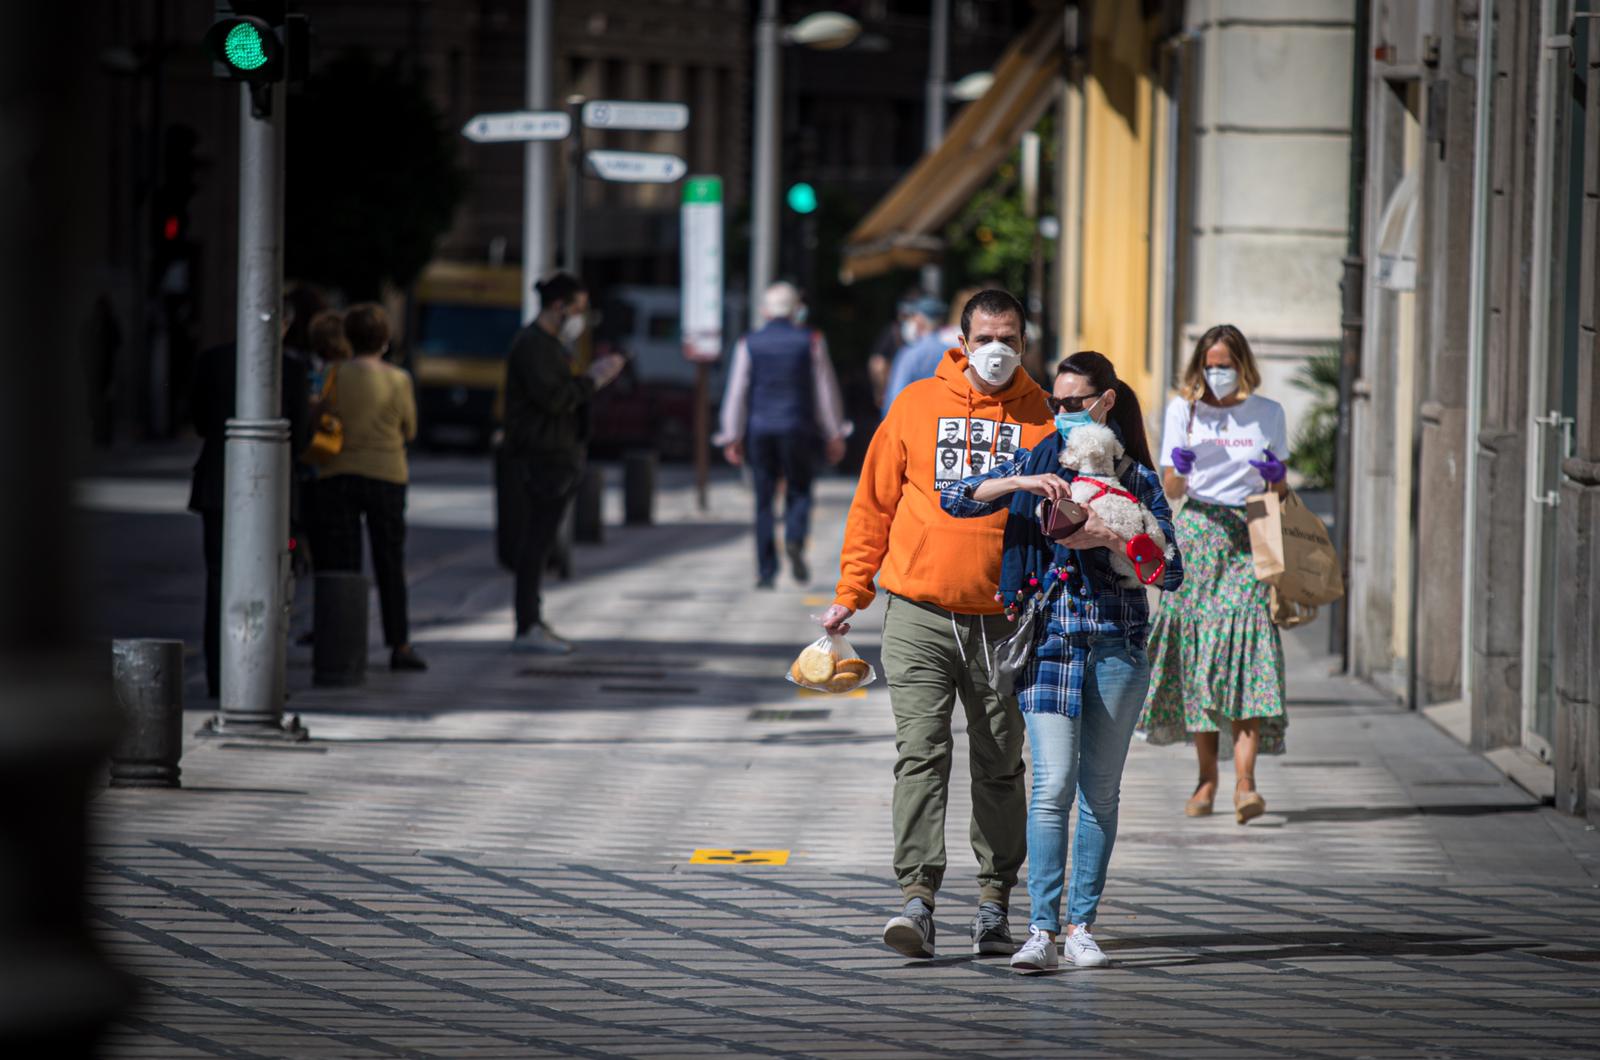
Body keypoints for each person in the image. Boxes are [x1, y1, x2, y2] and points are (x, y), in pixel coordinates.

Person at [820, 289, 1053, 960]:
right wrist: (849, 593)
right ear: (963, 340)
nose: (996, 349)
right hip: (918, 613)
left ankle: (993, 903)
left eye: (1009, 337)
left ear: (1026, 343)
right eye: (984, 338)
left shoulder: (1042, 418)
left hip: (1006, 622)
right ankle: (917, 901)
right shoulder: (918, 405)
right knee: (921, 754)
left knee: (1001, 765)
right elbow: (873, 505)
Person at [941, 351, 1184, 973]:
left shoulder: (1137, 479)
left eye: (1075, 403)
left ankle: (1081, 925)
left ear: (1105, 402)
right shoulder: (1041, 458)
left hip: (1117, 646)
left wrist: (1112, 535)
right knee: (1051, 789)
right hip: (1049, 644)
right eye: (1056, 403)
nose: (1063, 414)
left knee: (1099, 794)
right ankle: (1039, 929)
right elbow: (957, 495)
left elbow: (1172, 571)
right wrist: (1022, 483)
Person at [1139, 323, 1290, 824]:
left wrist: (1276, 479)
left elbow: (1280, 490)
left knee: (1248, 654)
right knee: (1199, 659)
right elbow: (1173, 488)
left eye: (1225, 364)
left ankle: (1247, 783)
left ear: (1242, 365)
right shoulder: (1184, 411)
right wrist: (1178, 466)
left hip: (1250, 535)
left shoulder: (1268, 414)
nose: (1217, 373)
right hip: (1200, 534)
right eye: (1210, 364)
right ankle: (1207, 778)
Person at [187, 304, 310, 699]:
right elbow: (303, 437)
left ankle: (218, 677)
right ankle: (258, 679)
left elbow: (201, 422)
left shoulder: (212, 361)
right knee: (270, 582)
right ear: (285, 325)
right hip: (270, 491)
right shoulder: (290, 370)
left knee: (218, 581)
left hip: (216, 488)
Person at [503, 272, 625, 654]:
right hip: (544, 454)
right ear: (558, 306)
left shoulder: (551, 344)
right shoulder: (534, 346)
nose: (581, 318)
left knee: (542, 541)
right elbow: (554, 399)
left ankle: (532, 621)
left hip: (557, 451)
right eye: (577, 309)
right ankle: (527, 626)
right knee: (536, 541)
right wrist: (595, 379)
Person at [313, 303, 427, 672]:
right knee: (389, 562)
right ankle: (400, 644)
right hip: (387, 476)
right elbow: (410, 429)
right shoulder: (399, 380)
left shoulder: (333, 374)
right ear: (385, 339)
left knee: (343, 563)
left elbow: (318, 415)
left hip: (338, 474)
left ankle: (343, 645)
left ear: (348, 337)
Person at [714, 282, 849, 588]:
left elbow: (737, 391)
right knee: (799, 489)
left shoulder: (749, 342)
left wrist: (731, 435)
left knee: (763, 498)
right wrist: (834, 432)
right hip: (797, 427)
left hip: (760, 429)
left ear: (764, 310)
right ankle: (795, 538)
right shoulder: (811, 340)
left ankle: (765, 571)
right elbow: (824, 389)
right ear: (796, 309)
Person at [881, 288, 980, 413]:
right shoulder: (957, 351)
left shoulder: (910, 354)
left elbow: (894, 399)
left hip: (914, 421)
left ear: (919, 321)